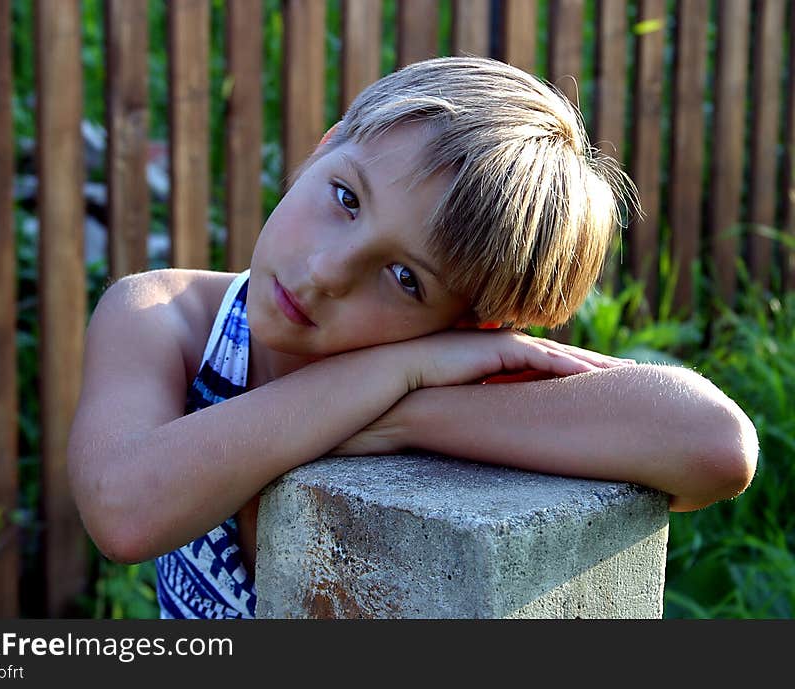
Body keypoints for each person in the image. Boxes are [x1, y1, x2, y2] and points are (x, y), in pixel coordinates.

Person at [67, 57, 758, 619]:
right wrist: (373, 385)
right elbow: (122, 508)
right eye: (346, 198)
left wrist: (401, 406)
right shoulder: (166, 316)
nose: (327, 271)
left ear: (470, 327)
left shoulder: (455, 379)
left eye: (404, 277)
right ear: (325, 145)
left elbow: (714, 443)